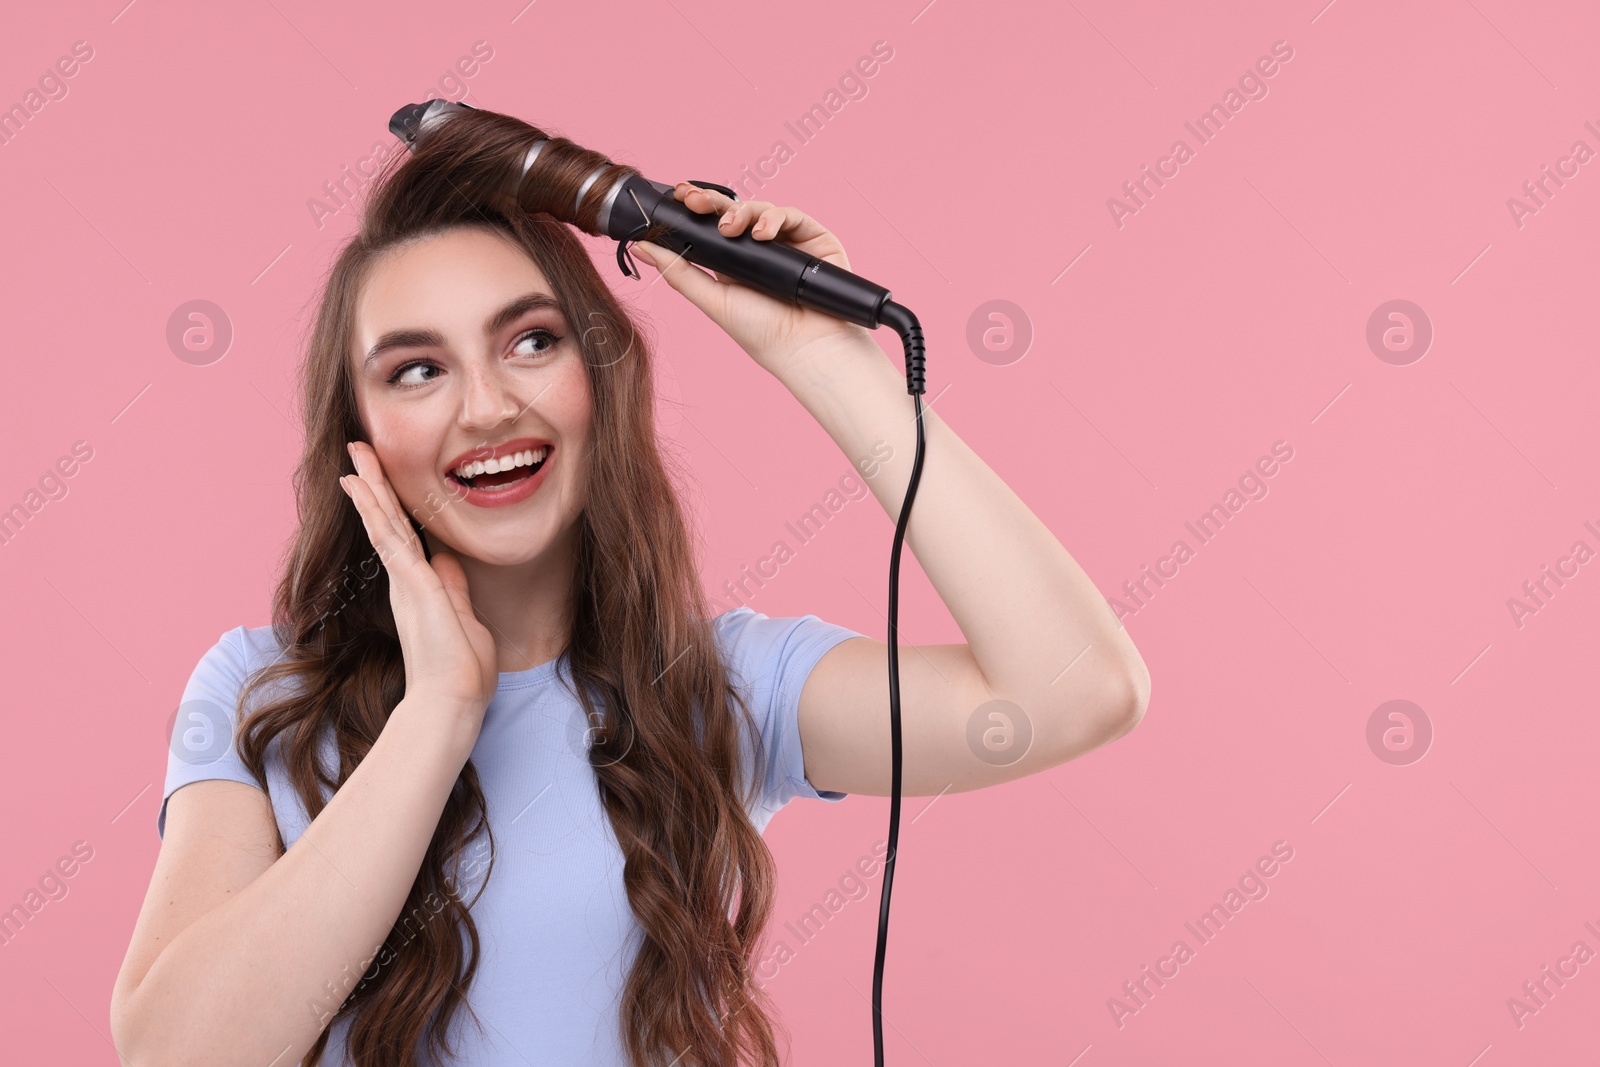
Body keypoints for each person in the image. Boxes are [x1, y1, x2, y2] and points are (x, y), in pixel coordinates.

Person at [109, 107, 1151, 1067]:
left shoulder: (719, 685)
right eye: (416, 369)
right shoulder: (259, 695)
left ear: (600, 374)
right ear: (362, 433)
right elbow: (178, 1053)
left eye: (531, 340)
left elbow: (1072, 691)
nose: (485, 405)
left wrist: (825, 359)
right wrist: (438, 713)